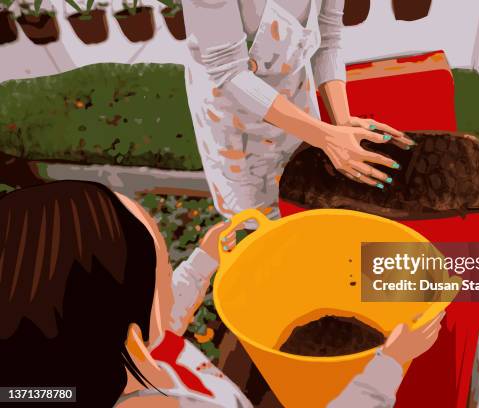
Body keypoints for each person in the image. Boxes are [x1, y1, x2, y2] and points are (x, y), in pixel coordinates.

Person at [0, 181, 442, 407]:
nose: (172, 282)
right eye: (164, 270)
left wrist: (205, 260)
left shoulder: (96, 368)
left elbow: (149, 325)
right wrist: (386, 367)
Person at [182, 0, 415, 227]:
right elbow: (230, 71)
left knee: (304, 211)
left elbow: (329, 39)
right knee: (254, 226)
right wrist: (325, 136)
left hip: (294, 94)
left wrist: (342, 126)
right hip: (235, 117)